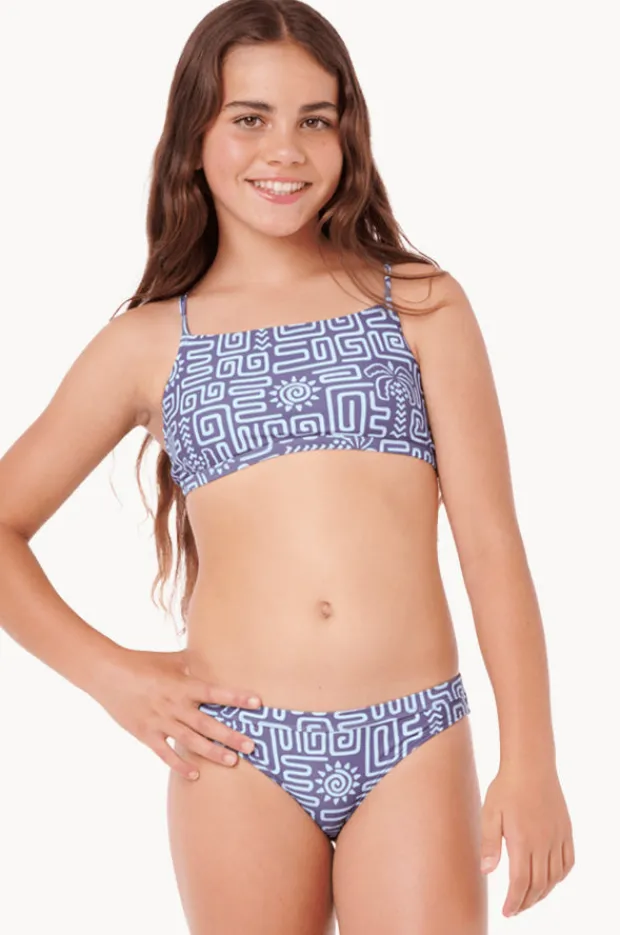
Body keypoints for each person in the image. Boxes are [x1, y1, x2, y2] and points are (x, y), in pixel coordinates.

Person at [0, 1, 574, 932]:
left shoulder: (420, 304)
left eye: (315, 119)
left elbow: (492, 541)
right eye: (250, 118)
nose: (286, 150)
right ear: (194, 138)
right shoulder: (148, 344)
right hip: (240, 750)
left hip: (415, 734)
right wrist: (114, 677)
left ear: (349, 135)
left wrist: (533, 758)